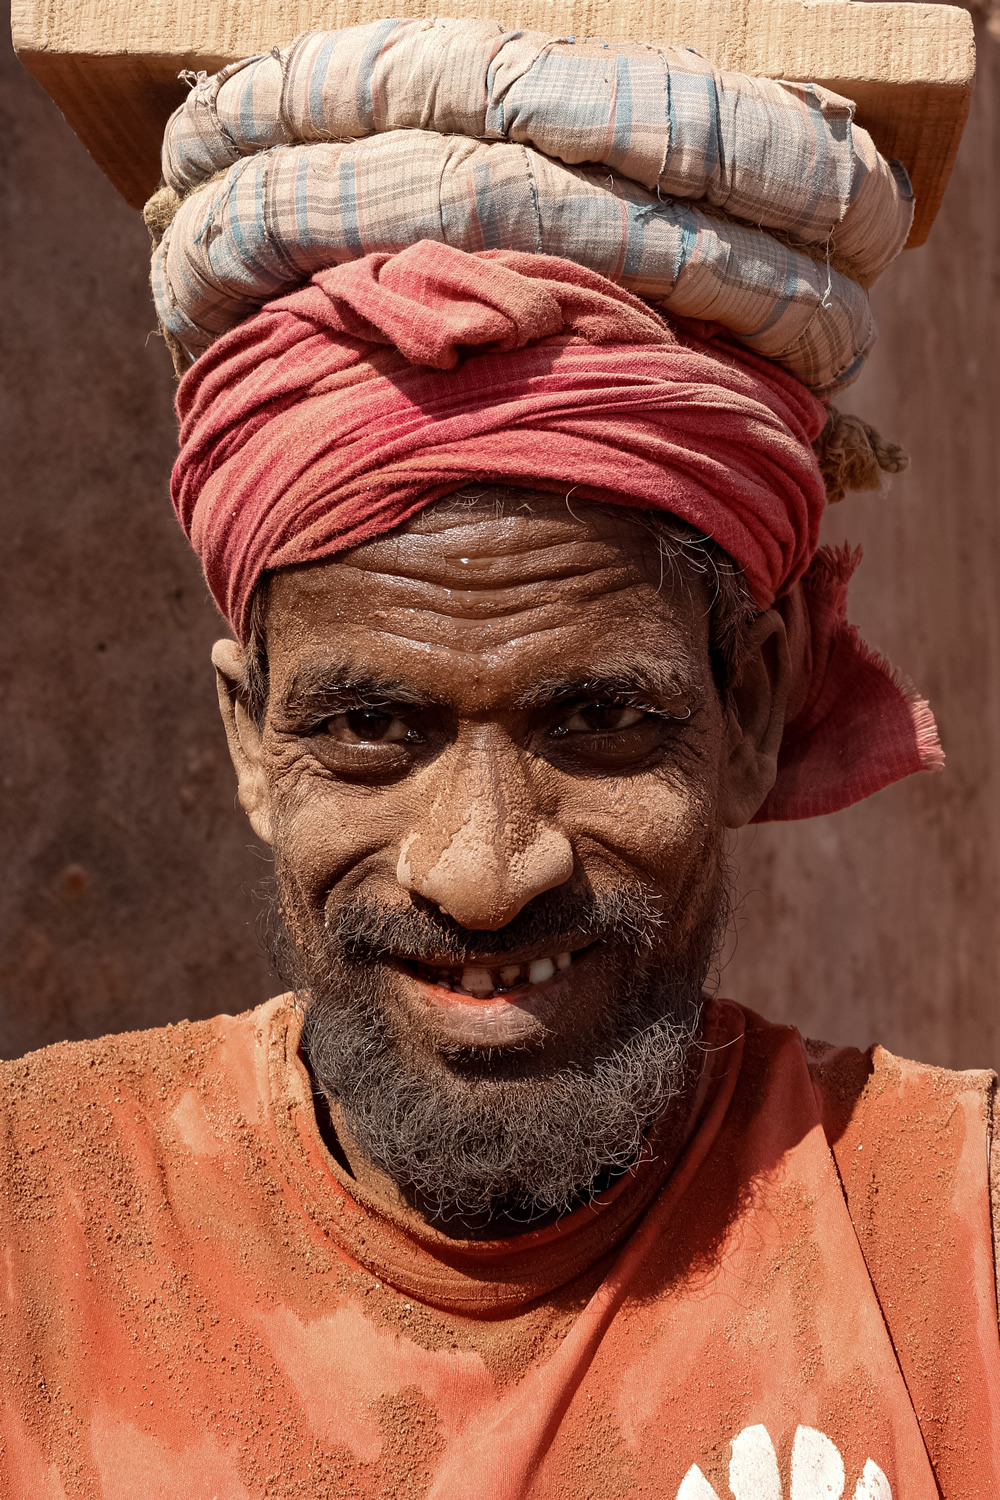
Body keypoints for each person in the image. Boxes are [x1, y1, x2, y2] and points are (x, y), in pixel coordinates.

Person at [2, 20, 997, 1499]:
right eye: (370, 731)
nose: (480, 870)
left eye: (597, 723)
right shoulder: (35, 1235)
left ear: (753, 704)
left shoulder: (955, 1251)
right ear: (252, 744)